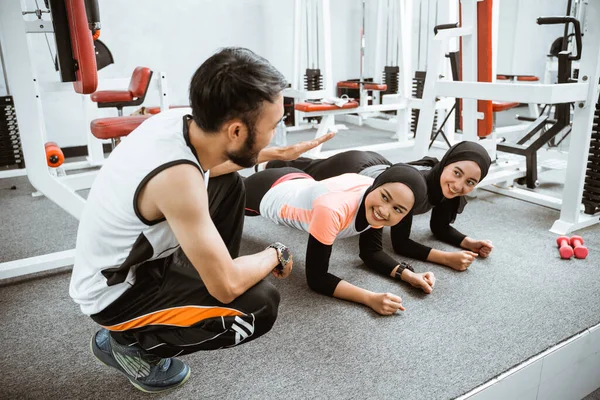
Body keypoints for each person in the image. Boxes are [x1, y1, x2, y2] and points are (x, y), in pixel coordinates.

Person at [69, 47, 331, 393]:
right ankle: (130, 345)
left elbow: (218, 166)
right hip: (117, 295)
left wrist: (279, 154)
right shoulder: (177, 179)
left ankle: (198, 280)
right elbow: (226, 287)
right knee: (259, 305)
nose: (276, 134)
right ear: (236, 130)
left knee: (230, 185)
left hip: (134, 261)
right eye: (274, 127)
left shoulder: (177, 123)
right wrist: (276, 251)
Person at [264, 142, 493, 271]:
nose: (458, 185)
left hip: (381, 164)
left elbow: (439, 228)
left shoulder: (448, 189)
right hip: (357, 169)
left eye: (470, 182)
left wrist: (468, 242)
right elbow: (400, 244)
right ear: (447, 163)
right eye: (457, 173)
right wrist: (446, 258)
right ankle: (270, 162)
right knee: (306, 172)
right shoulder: (416, 190)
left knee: (308, 170)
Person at [243, 164, 436, 315]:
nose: (385, 210)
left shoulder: (377, 197)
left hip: (298, 179)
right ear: (375, 187)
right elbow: (317, 278)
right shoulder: (333, 209)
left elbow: (372, 253)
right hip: (263, 193)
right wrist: (370, 298)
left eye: (398, 209)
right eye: (385, 198)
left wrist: (409, 275)